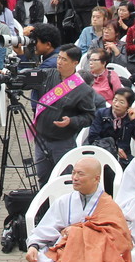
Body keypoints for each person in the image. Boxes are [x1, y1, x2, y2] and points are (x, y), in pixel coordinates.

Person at [32, 44, 99, 183]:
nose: (59, 62)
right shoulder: (49, 75)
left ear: (75, 63)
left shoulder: (83, 90)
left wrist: (72, 121)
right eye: (59, 58)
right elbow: (29, 77)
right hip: (41, 139)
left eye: (64, 60)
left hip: (62, 141)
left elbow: (89, 117)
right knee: (43, 178)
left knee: (64, 180)